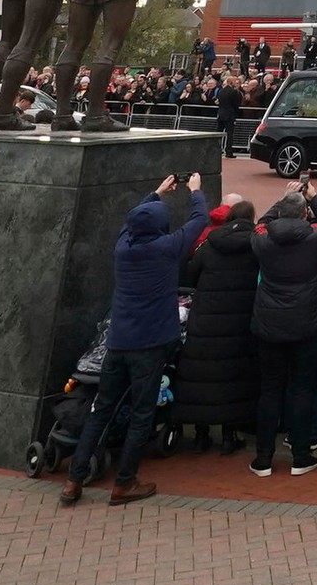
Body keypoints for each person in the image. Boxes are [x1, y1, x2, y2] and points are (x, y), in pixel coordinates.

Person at [59, 172, 208, 507]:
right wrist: (194, 191)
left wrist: (155, 193)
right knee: (142, 413)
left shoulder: (123, 248)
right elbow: (199, 220)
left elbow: (133, 220)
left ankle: (73, 479)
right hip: (151, 344)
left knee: (102, 409)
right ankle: (124, 482)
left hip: (118, 342)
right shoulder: (166, 249)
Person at [246, 189, 317, 476]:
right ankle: (300, 455)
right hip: (307, 325)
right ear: (304, 214)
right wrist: (313, 196)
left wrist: (282, 199)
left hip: (269, 325)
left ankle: (263, 457)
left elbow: (261, 221)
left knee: (270, 391)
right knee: (302, 389)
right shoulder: (316, 237)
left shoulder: (262, 238)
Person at [170, 197, 259, 455]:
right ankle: (230, 434)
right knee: (234, 377)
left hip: (206, 321)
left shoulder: (209, 244)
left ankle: (200, 433)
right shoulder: (255, 245)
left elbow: (190, 276)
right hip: (239, 321)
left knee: (201, 376)